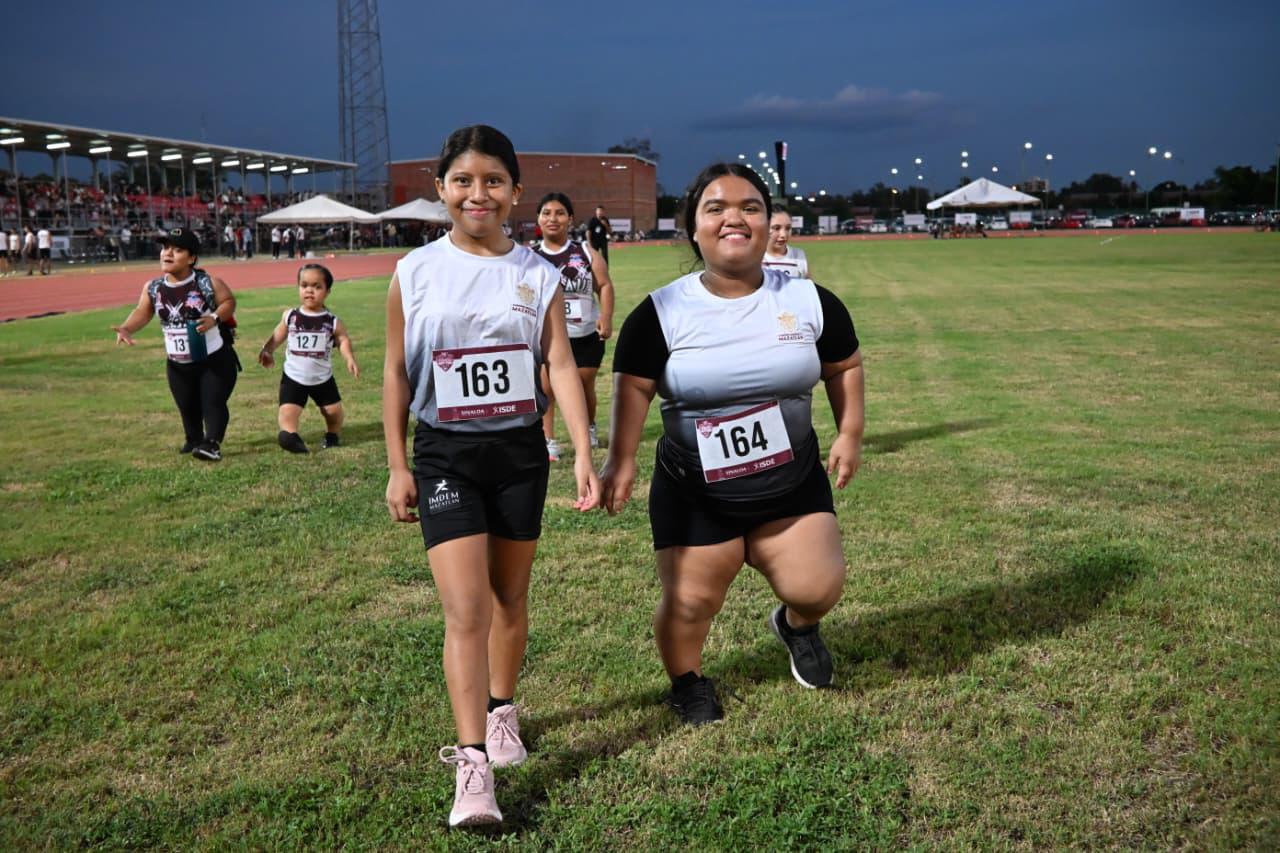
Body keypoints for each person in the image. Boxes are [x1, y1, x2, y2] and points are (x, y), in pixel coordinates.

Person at [382, 125, 599, 827]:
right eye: (464, 181)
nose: (479, 193)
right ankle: (473, 766)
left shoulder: (538, 273)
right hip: (445, 452)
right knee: (466, 608)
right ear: (440, 188)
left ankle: (503, 710)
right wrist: (395, 463)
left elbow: (559, 363)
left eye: (494, 181)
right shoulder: (414, 271)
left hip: (517, 453)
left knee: (510, 594)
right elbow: (394, 371)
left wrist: (583, 451)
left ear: (516, 192)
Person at [600, 162, 865, 726]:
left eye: (750, 207)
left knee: (818, 588)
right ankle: (689, 681)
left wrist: (849, 431)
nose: (734, 219)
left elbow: (844, 364)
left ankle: (796, 626)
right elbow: (633, 389)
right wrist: (620, 459)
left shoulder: (810, 300)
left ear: (770, 223)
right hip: (696, 490)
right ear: (693, 227)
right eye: (715, 208)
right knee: (692, 603)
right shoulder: (661, 311)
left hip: (790, 482)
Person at [111, 227, 239, 461]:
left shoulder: (206, 282)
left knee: (212, 402)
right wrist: (127, 328)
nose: (167, 253)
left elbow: (228, 301)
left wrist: (214, 318)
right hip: (178, 364)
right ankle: (193, 439)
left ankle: (211, 444)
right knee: (187, 405)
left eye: (177, 249)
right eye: (165, 248)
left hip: (213, 359)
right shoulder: (154, 288)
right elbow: (143, 311)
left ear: (191, 258)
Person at [532, 192, 616, 461]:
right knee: (547, 388)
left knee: (582, 386)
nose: (552, 218)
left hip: (585, 334)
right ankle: (548, 441)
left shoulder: (585, 254)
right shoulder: (529, 257)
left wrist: (606, 315)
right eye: (546, 213)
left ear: (570, 218)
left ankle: (589, 427)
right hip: (550, 336)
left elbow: (604, 285)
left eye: (559, 213)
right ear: (539, 218)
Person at [257, 263, 360, 453]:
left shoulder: (332, 321)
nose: (309, 291)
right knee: (288, 412)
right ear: (298, 287)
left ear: (327, 291)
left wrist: (349, 358)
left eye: (317, 286)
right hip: (293, 377)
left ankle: (332, 435)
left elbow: (342, 339)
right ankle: (290, 438)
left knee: (332, 412)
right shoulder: (291, 316)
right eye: (304, 286)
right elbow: (278, 334)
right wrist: (267, 350)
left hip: (322, 378)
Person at [761, 209, 809, 278]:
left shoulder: (799, 255)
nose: (783, 235)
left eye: (788, 228)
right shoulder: (753, 258)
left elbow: (808, 287)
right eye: (776, 228)